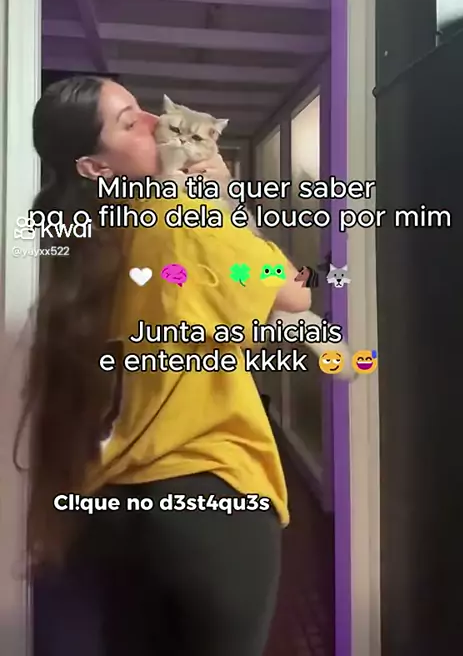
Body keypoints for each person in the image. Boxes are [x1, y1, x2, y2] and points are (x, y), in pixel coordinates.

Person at [15, 76, 311, 656]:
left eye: (144, 110)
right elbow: (294, 293)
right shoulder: (182, 215)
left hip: (112, 507)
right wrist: (222, 201)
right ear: (95, 168)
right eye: (129, 122)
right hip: (210, 497)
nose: (156, 123)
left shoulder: (88, 245)